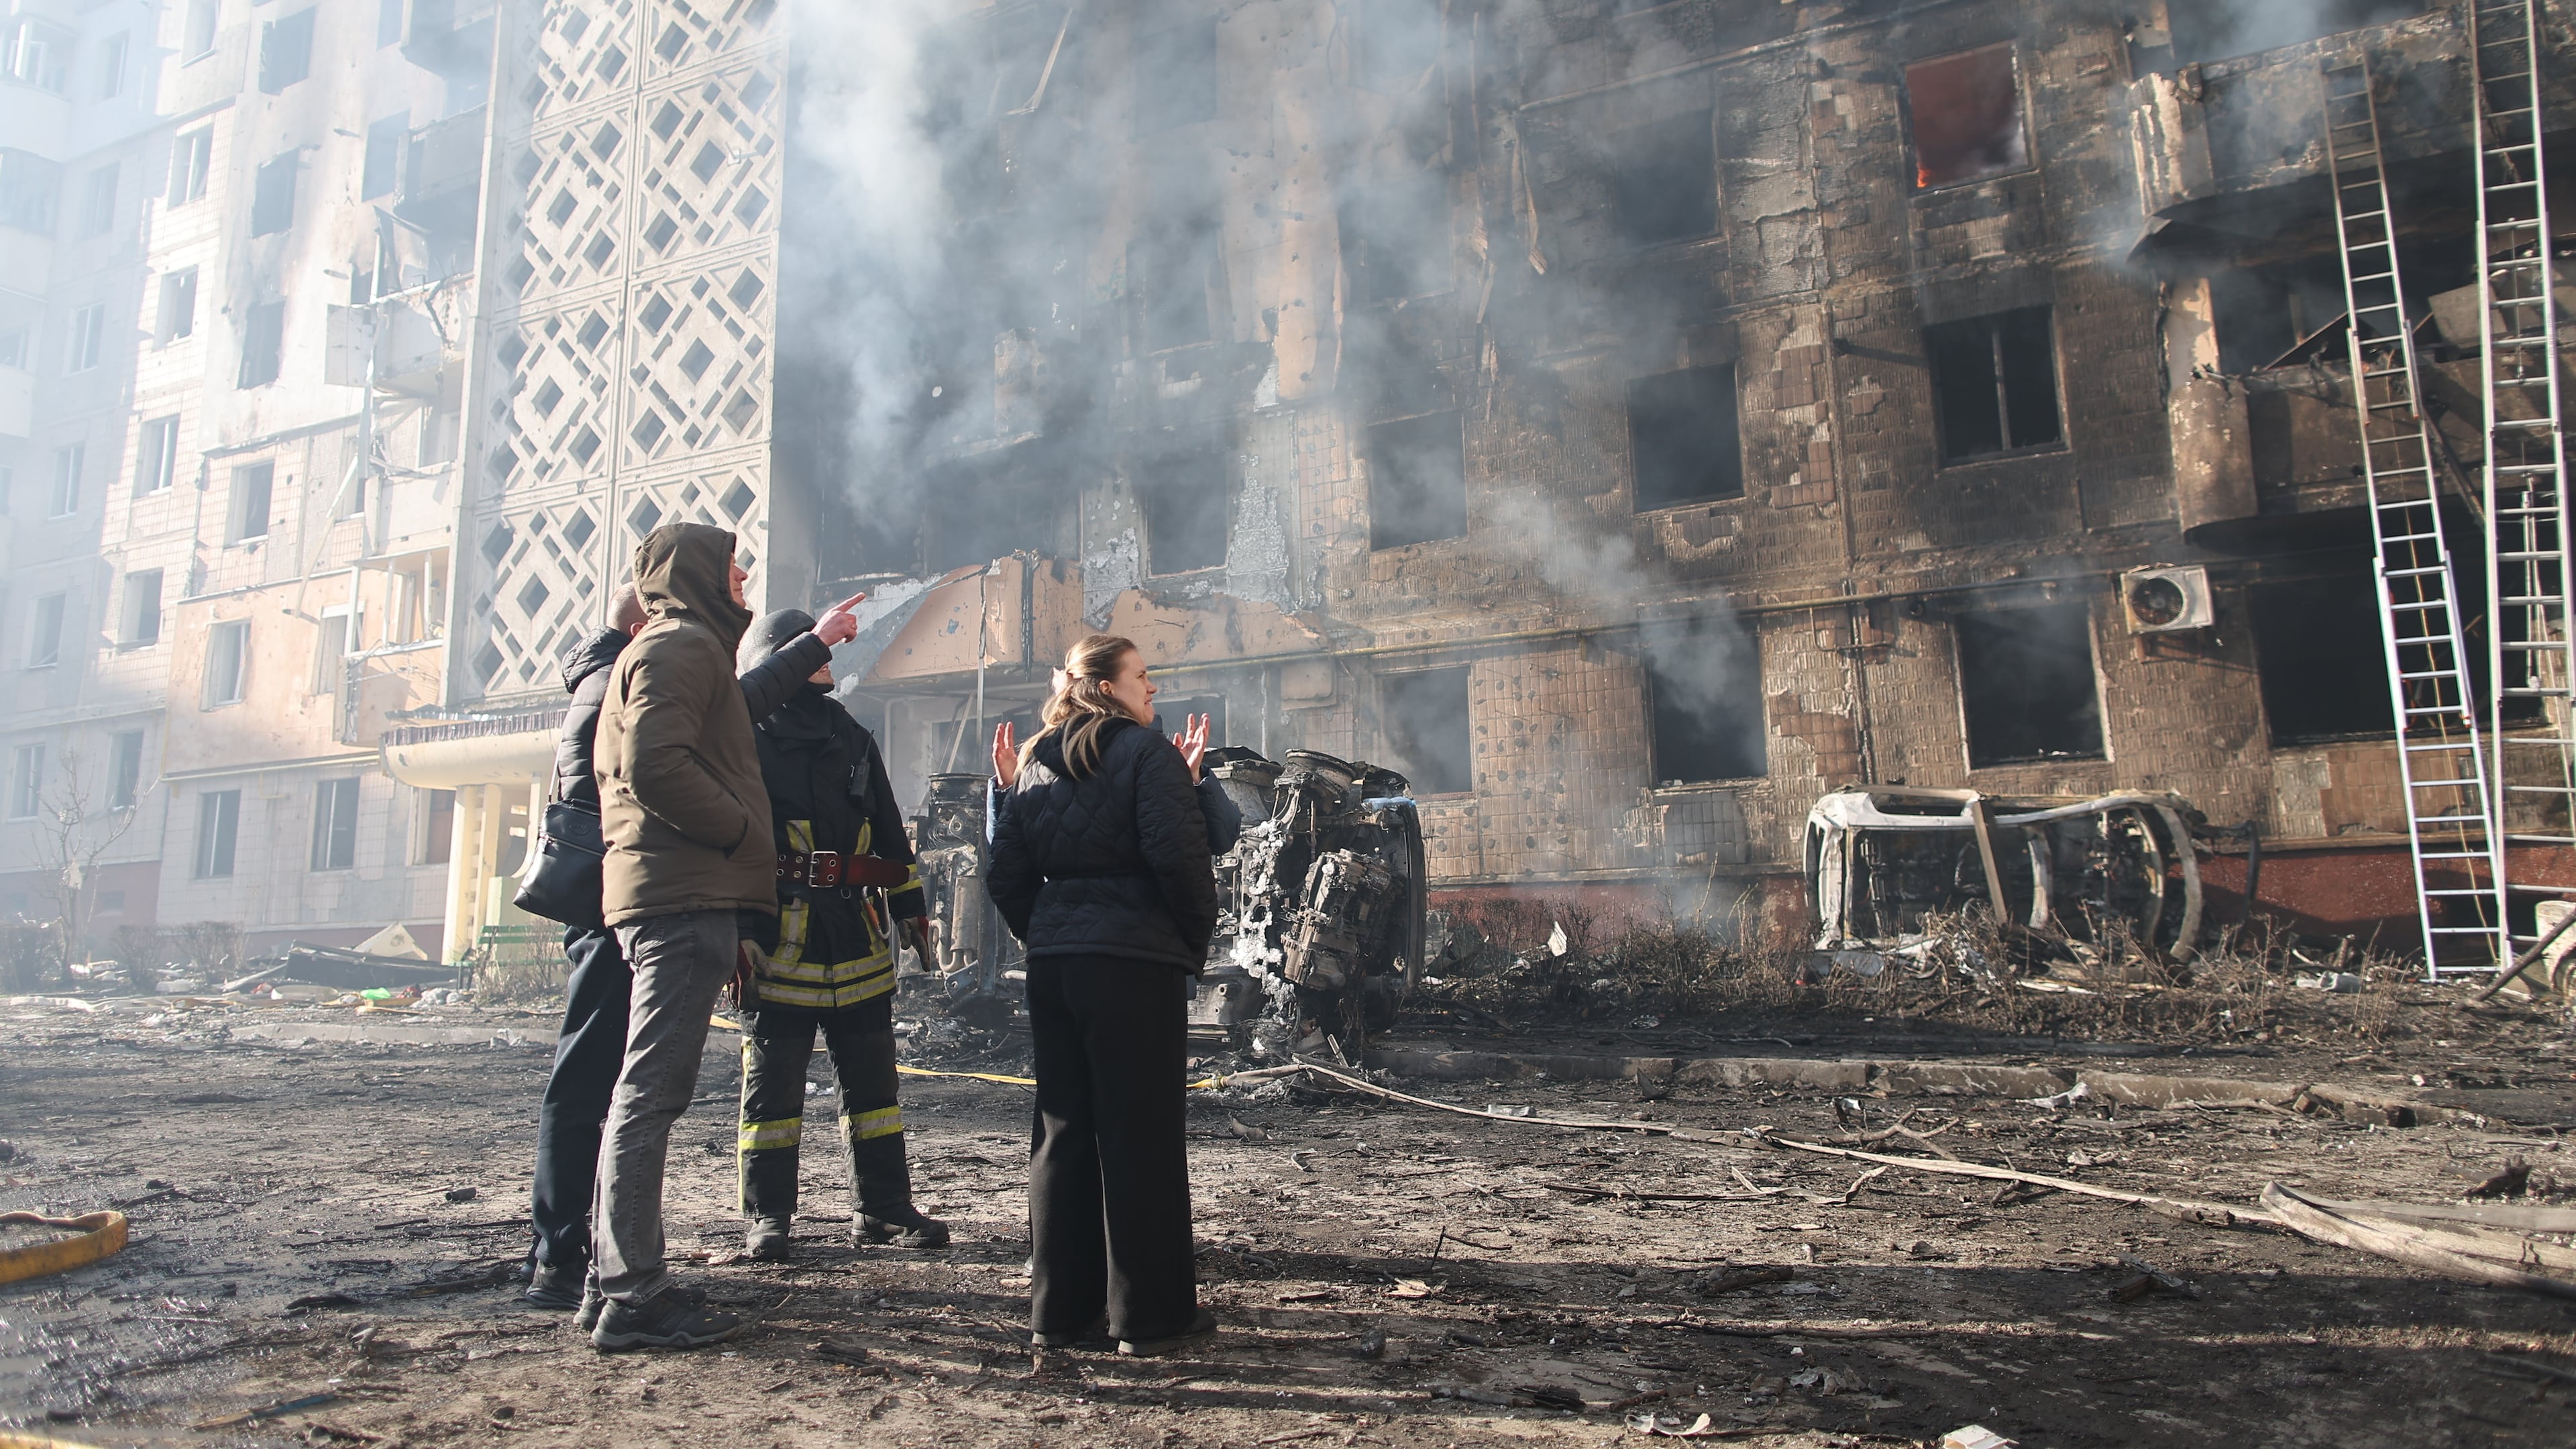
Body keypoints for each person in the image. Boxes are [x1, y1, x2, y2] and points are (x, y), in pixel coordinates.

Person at [521, 584, 861, 1312]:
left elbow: (723, 713)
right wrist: (740, 836)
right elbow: (686, 750)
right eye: (729, 581)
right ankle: (594, 1270)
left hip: (625, 897)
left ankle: (579, 1260)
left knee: (609, 1078)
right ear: (648, 625)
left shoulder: (614, 672)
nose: (734, 595)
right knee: (622, 1085)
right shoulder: (640, 671)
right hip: (634, 899)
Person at [986, 634, 1221, 1358]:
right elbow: (1181, 860)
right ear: (1109, 686)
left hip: (1056, 966)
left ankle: (1058, 1314)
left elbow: (1006, 875)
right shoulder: (1145, 754)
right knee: (1138, 1133)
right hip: (1132, 963)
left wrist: (1051, 935)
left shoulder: (1034, 761)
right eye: (1142, 677)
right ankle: (1147, 1320)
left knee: (1061, 1131)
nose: (1153, 690)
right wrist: (1185, 940)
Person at [585, 523, 782, 1352]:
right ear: (700, 575)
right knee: (651, 1095)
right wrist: (739, 832)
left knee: (643, 1093)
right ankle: (635, 1295)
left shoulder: (676, 648)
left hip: (677, 892)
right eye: (736, 569)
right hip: (680, 895)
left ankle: (610, 1283)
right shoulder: (684, 648)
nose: (745, 582)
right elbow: (654, 766)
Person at [733, 609, 950, 1260]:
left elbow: (888, 830)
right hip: (777, 938)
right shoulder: (745, 738)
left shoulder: (850, 734)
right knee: (772, 1090)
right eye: (811, 651)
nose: (828, 662)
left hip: (854, 935)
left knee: (874, 1088)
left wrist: (911, 905)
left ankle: (882, 1208)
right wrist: (738, 930)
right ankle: (768, 1216)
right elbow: (729, 843)